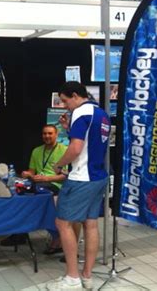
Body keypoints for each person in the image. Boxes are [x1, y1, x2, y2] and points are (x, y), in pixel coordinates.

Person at [46, 82, 110, 291]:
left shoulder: (81, 113)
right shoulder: (101, 113)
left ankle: (72, 278)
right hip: (98, 177)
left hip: (81, 178)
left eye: (65, 101)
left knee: (62, 223)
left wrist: (58, 164)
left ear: (74, 95)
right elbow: (91, 143)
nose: (65, 106)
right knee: (90, 224)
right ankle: (87, 276)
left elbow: (75, 148)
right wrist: (68, 129)